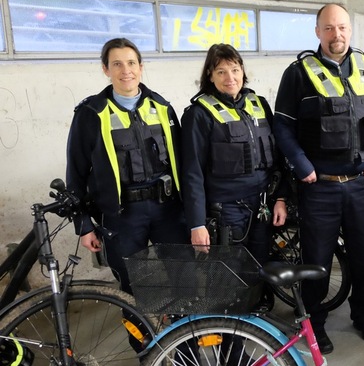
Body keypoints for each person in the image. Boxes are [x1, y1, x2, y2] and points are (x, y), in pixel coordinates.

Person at [273, 3, 364, 354]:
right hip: (320, 187)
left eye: (342, 27)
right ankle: (315, 325)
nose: (336, 34)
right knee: (317, 262)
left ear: (350, 29)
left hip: (361, 184)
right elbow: (282, 125)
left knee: (363, 257)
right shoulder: (298, 73)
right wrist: (301, 165)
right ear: (318, 32)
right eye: (329, 28)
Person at [66, 38, 188, 296]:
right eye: (117, 64)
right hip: (121, 216)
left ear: (141, 67)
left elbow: (183, 162)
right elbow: (76, 172)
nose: (126, 71)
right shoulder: (91, 113)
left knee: (183, 277)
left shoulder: (162, 107)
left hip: (168, 210)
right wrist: (83, 224)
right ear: (105, 69)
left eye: (131, 63)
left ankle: (182, 324)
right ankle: (137, 325)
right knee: (133, 287)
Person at [181, 43, 288, 266]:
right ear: (210, 75)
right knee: (228, 275)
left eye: (235, 70)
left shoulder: (259, 104)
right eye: (221, 72)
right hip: (227, 212)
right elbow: (192, 172)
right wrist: (197, 224)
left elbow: (278, 158)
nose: (230, 78)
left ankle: (257, 292)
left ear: (242, 72)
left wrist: (280, 198)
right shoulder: (199, 114)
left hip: (262, 206)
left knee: (259, 268)